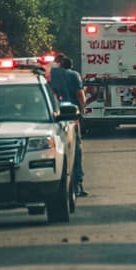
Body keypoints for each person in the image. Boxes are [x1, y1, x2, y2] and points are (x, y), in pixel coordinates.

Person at [52, 55, 89, 197]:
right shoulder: (73, 75)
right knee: (75, 151)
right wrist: (81, 111)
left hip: (49, 120)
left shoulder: (48, 76)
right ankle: (77, 185)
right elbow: (80, 96)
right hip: (71, 119)